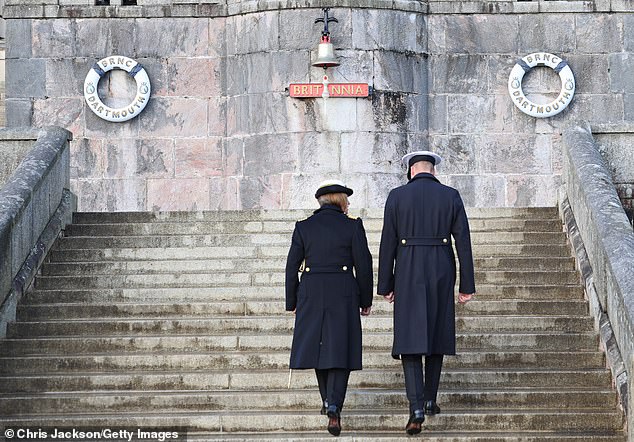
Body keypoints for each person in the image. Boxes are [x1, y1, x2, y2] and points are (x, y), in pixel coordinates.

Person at [377, 151, 476, 435]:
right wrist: (466, 285)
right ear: (433, 171)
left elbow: (387, 243)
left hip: (408, 267)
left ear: (411, 171)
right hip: (441, 266)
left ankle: (416, 407)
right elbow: (464, 242)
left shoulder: (396, 196)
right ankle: (430, 398)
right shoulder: (451, 195)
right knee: (437, 332)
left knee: (409, 338)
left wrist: (386, 284)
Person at [285, 179, 374, 437]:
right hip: (343, 290)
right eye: (346, 199)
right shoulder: (353, 226)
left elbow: (292, 266)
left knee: (318, 346)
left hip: (311, 291)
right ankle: (334, 404)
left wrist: (292, 301)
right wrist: (365, 300)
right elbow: (364, 265)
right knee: (340, 348)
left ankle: (327, 401)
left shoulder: (303, 227)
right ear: (340, 201)